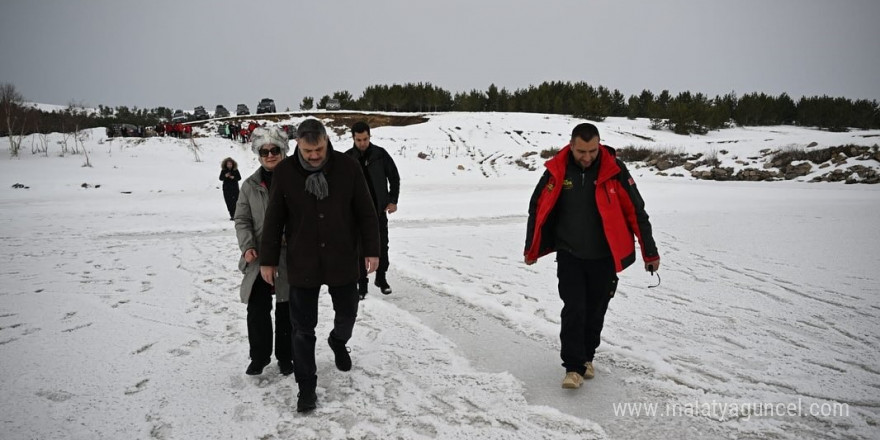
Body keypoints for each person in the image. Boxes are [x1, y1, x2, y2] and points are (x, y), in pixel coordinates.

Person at [524, 122, 660, 390]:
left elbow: (636, 211)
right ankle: (573, 368)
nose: (587, 157)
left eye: (593, 151)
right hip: (569, 254)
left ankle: (587, 357)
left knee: (596, 310)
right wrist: (532, 249)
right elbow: (537, 208)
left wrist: (650, 252)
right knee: (574, 308)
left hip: (604, 256)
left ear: (599, 146)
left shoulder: (615, 171)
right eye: (581, 151)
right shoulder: (557, 171)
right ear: (571, 146)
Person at [260, 118, 380, 413]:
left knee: (348, 313)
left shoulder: (347, 167)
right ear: (298, 143)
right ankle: (307, 388)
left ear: (327, 140)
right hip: (303, 261)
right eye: (308, 150)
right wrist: (268, 259)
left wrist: (373, 251)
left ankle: (338, 341)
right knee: (302, 329)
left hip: (341, 257)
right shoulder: (286, 172)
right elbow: (274, 219)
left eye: (319, 149)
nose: (314, 155)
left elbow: (365, 212)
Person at [234, 127, 293, 376]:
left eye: (275, 150)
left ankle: (287, 357)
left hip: (288, 258)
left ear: (283, 151)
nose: (270, 155)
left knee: (287, 309)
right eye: (265, 151)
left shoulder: (296, 180)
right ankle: (259, 357)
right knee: (257, 310)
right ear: (259, 154)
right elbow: (242, 219)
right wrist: (247, 246)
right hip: (259, 258)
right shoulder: (249, 185)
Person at [344, 121, 401, 299]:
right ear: (353, 138)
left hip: (378, 211)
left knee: (382, 246)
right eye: (359, 139)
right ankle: (362, 285)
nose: (362, 143)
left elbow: (394, 177)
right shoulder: (347, 158)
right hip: (357, 215)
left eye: (365, 139)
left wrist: (393, 200)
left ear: (370, 136)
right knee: (360, 250)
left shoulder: (380, 154)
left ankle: (381, 279)